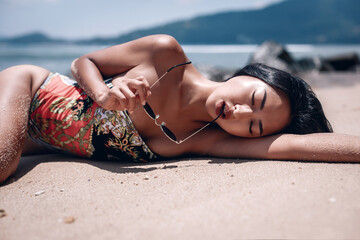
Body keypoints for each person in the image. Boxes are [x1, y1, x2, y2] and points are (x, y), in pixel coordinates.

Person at [0, 34, 359, 183]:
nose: (241, 114)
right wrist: (104, 94)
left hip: (37, 142)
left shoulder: (204, 141)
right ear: (250, 74)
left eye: (254, 127)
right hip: (33, 89)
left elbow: (295, 146)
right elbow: (83, 61)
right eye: (255, 99)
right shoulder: (164, 53)